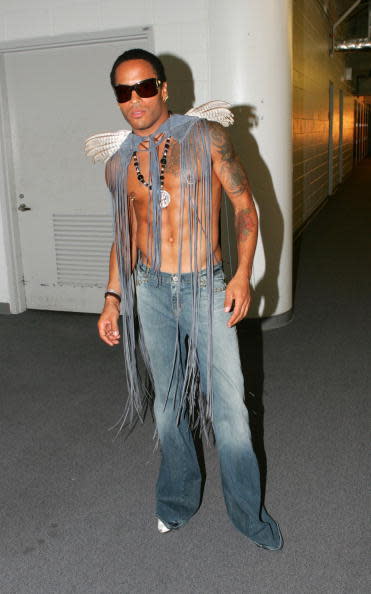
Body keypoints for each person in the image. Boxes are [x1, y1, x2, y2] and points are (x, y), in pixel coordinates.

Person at [96, 48, 282, 550]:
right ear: (116, 98)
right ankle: (177, 502)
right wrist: (113, 297)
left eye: (145, 87)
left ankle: (249, 517)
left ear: (164, 88)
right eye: (123, 91)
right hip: (152, 291)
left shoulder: (205, 138)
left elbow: (246, 206)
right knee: (168, 407)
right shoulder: (117, 166)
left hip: (206, 285)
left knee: (231, 412)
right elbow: (125, 236)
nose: (135, 99)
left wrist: (243, 275)